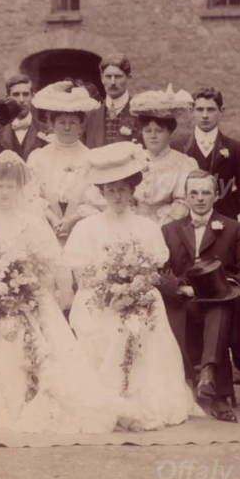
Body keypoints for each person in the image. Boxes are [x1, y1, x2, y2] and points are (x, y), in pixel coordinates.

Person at [0, 152, 118, 435]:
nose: (4, 192)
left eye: (10, 186)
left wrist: (26, 286)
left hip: (27, 298)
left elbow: (51, 263)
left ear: (19, 188)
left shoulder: (31, 222)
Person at [65, 143, 200, 431]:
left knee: (143, 321)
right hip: (99, 297)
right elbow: (82, 273)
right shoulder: (87, 227)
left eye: (122, 190)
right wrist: (110, 290)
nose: (117, 196)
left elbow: (153, 270)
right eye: (111, 190)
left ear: (132, 192)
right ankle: (111, 401)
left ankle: (139, 401)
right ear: (102, 193)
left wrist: (134, 289)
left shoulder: (146, 227)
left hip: (139, 294)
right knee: (109, 325)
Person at [159, 171, 240, 423]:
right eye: (194, 193)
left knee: (219, 308)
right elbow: (160, 272)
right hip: (182, 302)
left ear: (215, 196)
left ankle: (209, 376)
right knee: (212, 312)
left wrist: (226, 289)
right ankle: (213, 387)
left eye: (205, 192)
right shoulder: (169, 230)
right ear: (186, 197)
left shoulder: (234, 228)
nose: (200, 198)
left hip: (218, 302)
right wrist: (180, 289)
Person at [27, 81, 103, 246]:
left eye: (73, 122)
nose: (67, 128)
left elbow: (96, 201)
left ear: (81, 125)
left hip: (82, 230)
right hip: (46, 228)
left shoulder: (92, 158)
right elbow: (31, 197)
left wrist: (70, 220)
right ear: (52, 125)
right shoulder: (39, 157)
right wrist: (53, 219)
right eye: (62, 122)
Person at [129, 86, 198, 226]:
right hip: (133, 223)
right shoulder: (133, 159)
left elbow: (182, 203)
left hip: (167, 226)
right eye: (148, 131)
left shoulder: (182, 163)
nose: (153, 136)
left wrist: (160, 226)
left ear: (169, 132)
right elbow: (127, 198)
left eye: (159, 131)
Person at [181, 88, 240, 221]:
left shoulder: (235, 148)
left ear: (221, 111)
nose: (205, 115)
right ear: (191, 111)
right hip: (186, 220)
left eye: (210, 109)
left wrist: (229, 207)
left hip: (224, 219)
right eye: (200, 109)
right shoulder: (178, 147)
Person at [84, 53, 141, 149]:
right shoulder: (90, 115)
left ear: (128, 78)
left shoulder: (140, 113)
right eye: (108, 76)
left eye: (118, 76)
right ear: (102, 79)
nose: (113, 82)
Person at [0, 74, 48, 161]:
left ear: (32, 96)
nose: (21, 100)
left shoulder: (46, 132)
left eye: (26, 94)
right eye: (16, 94)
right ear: (8, 98)